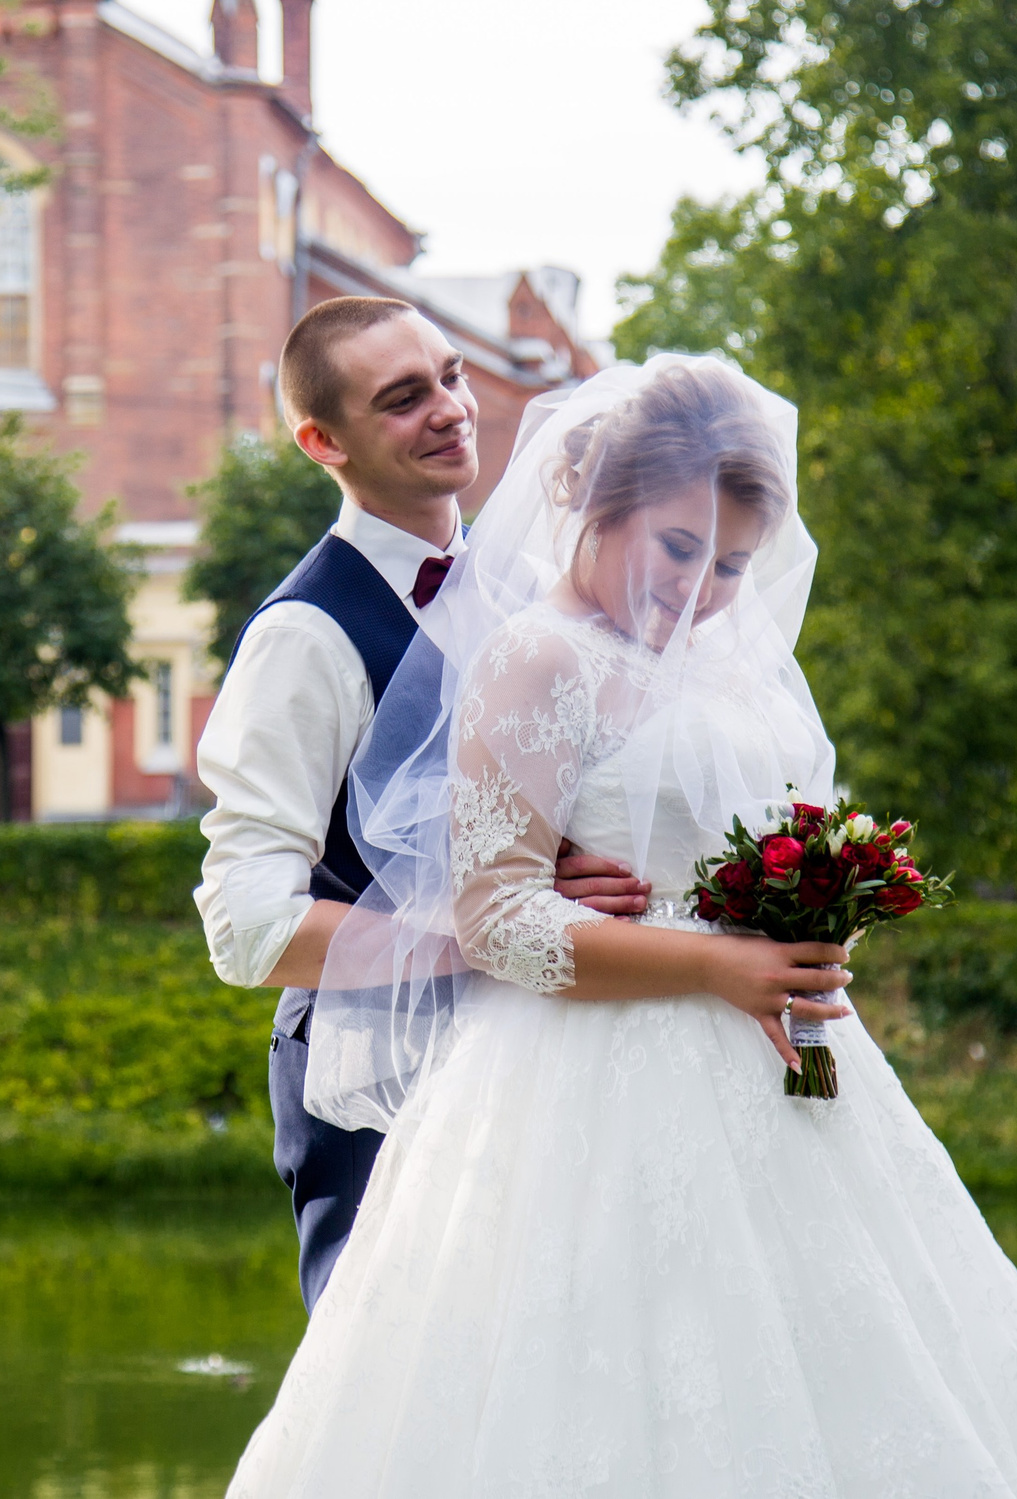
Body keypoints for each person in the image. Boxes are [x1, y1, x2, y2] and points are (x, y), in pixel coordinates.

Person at [225, 357, 1017, 1496]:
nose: (702, 586)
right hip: (577, 1087)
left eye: (733, 563)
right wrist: (716, 963)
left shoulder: (727, 659)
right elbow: (497, 917)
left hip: (780, 1068)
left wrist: (813, 916)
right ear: (594, 504)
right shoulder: (538, 656)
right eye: (676, 547)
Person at [196, 297, 714, 1311]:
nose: (448, 410)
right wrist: (480, 931)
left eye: (451, 377)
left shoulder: (529, 586)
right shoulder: (301, 637)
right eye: (402, 399)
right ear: (321, 440)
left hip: (548, 1062)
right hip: (371, 1082)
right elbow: (246, 927)